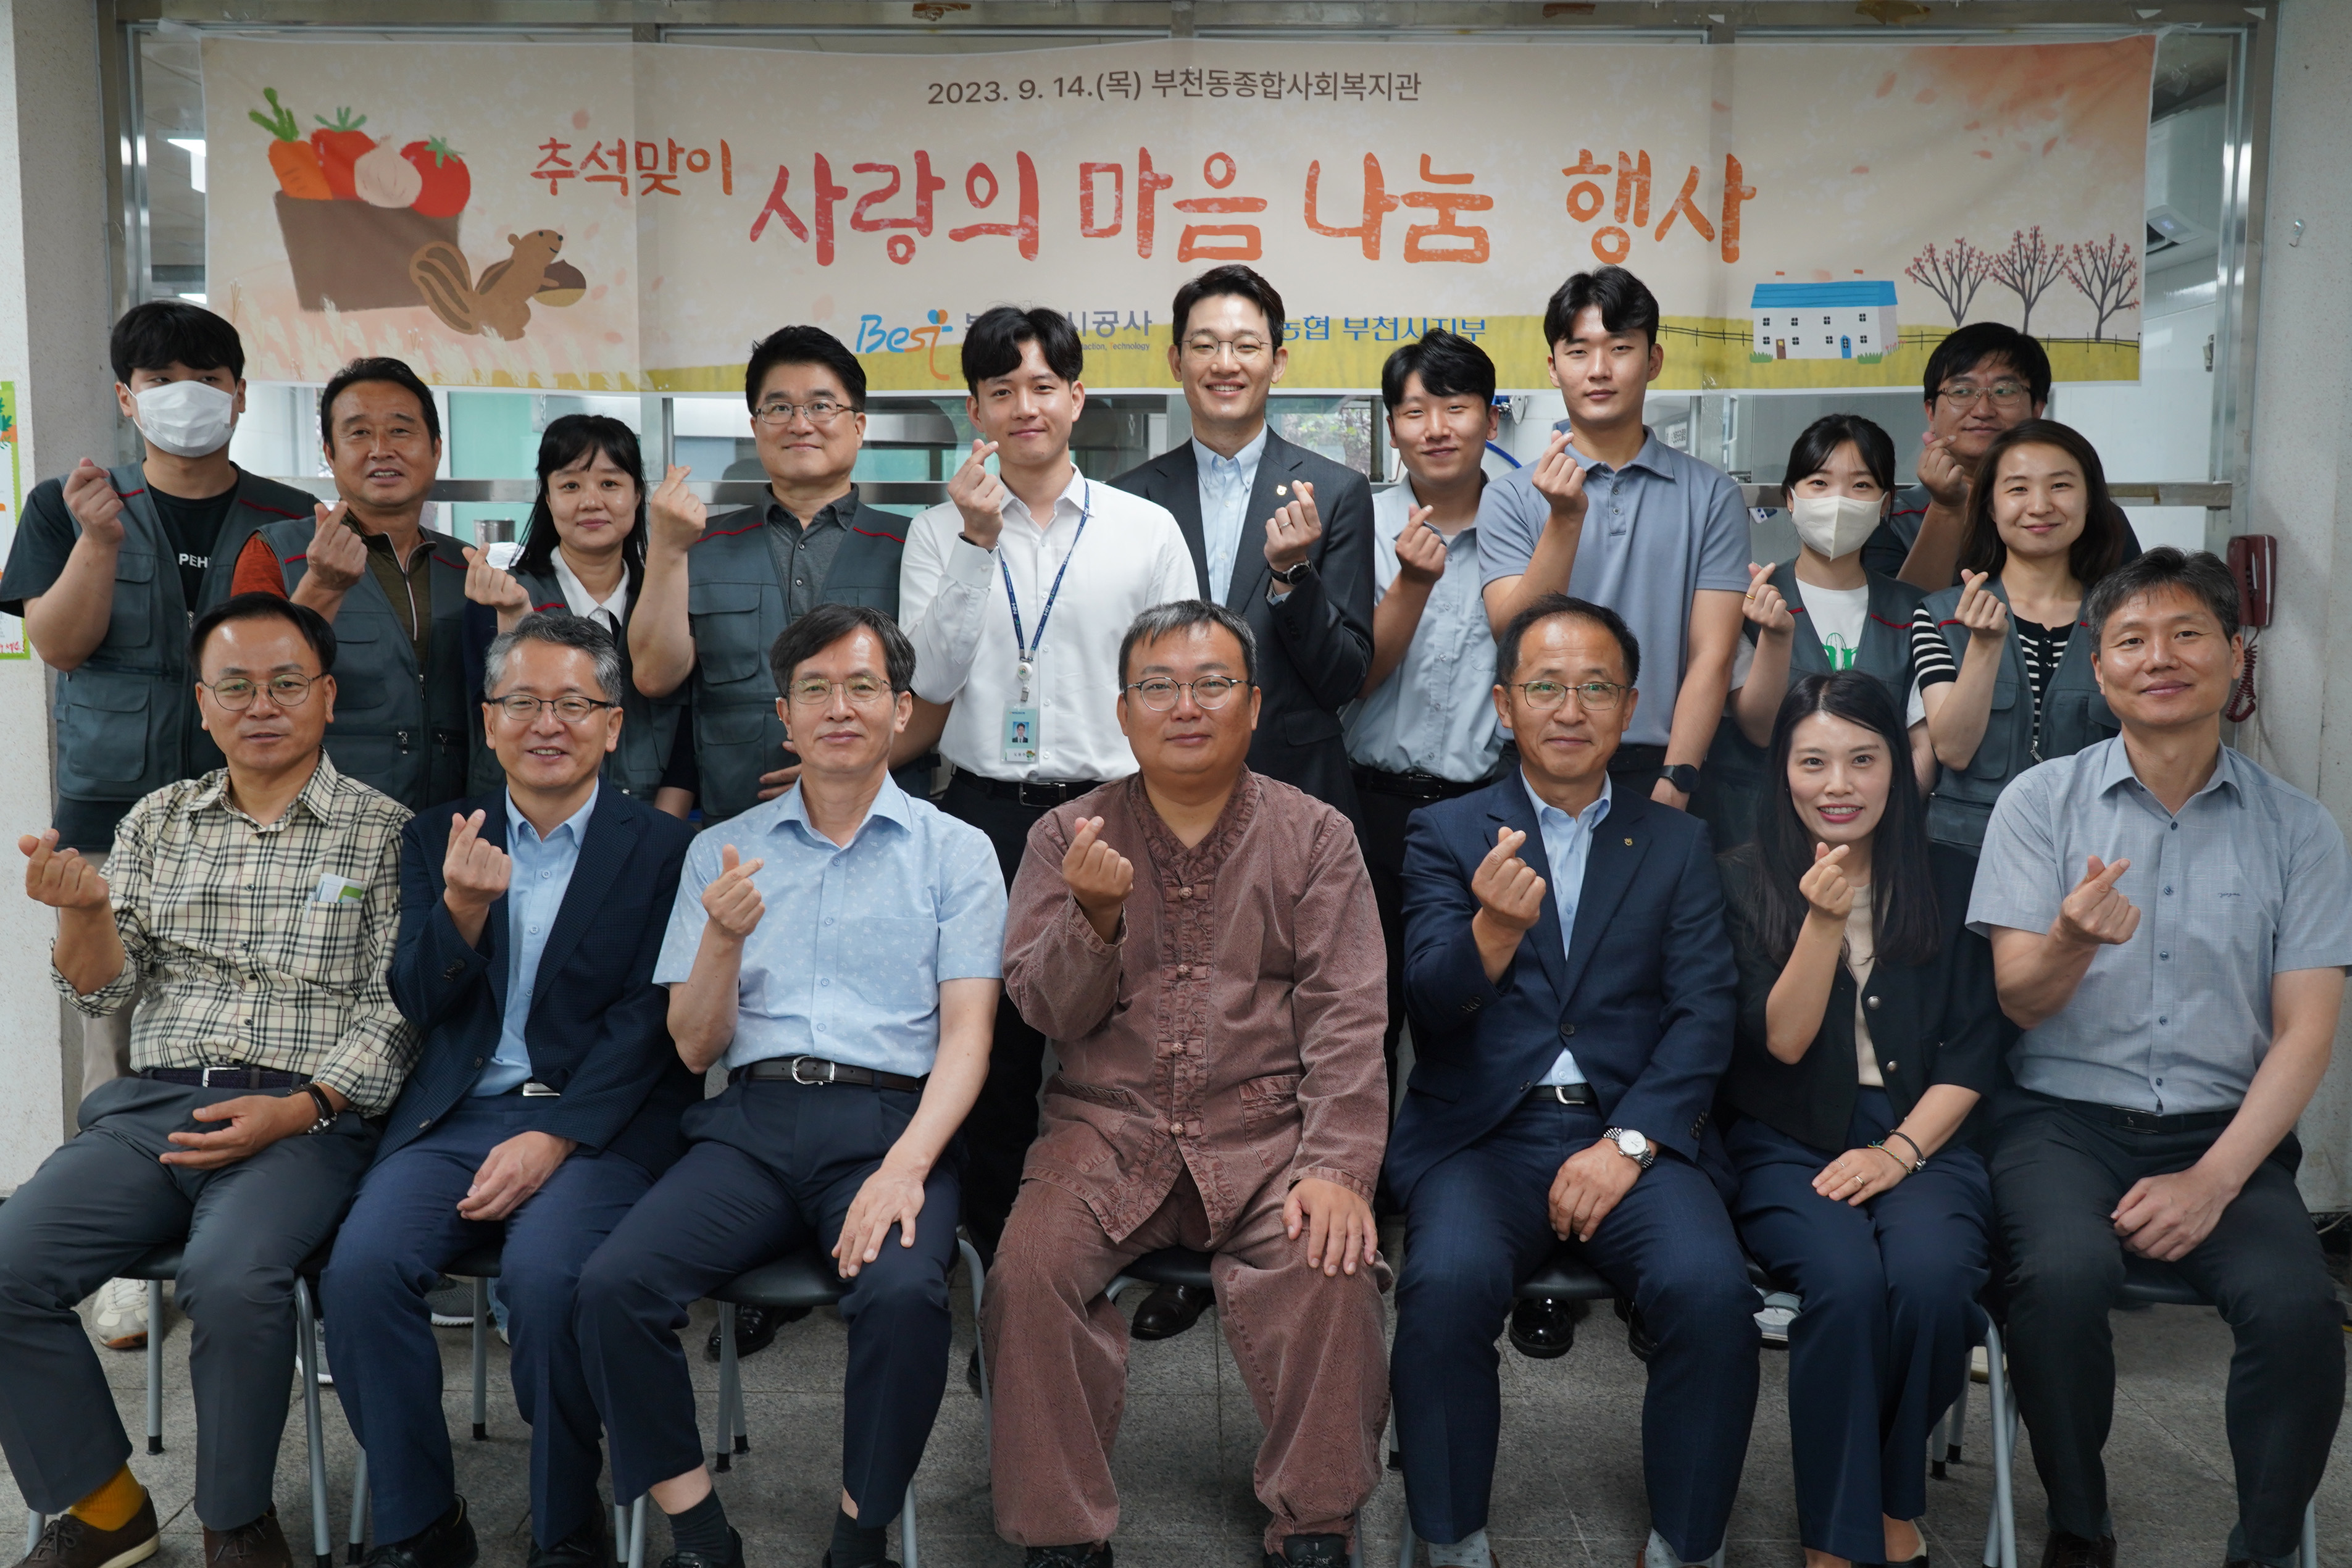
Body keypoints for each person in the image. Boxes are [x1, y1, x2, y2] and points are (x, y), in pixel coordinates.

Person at [577, 604, 1004, 1568]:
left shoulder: (956, 852)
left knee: (905, 1295)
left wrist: (907, 1168)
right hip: (752, 1124)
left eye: (861, 688)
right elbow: (694, 1048)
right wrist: (722, 940)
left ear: (901, 710)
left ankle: (859, 1535)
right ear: (785, 716)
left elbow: (969, 1040)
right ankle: (698, 1531)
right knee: (611, 1286)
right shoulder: (722, 852)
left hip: (891, 1122)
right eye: (815, 690)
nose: (838, 708)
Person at [1, 593, 416, 1568]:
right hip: (155, 1109)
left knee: (230, 1281)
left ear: (327, 695)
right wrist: (83, 913)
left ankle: (236, 1520)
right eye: (236, 686)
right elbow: (102, 988)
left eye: (285, 684)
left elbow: (399, 1014)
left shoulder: (387, 833)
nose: (260, 705)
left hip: (305, 1119)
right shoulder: (159, 821)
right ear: (202, 702)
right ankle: (107, 1509)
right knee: (6, 1265)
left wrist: (299, 1108)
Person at [985, 601, 1390, 1568]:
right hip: (1104, 1132)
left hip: (1268, 1137)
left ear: (1252, 705)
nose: (1186, 706)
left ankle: (1316, 1524)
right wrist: (1092, 919)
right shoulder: (1065, 835)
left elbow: (1348, 1016)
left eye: (1212, 684)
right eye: (1158, 687)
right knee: (1026, 1273)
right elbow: (1044, 1011)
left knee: (1333, 1267)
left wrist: (1336, 1169)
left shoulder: (1316, 835)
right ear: (1122, 711)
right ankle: (1061, 1537)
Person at [1967, 548, 2350, 1568]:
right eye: (2130, 641)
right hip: (2059, 1124)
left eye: (2187, 634)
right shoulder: (2039, 804)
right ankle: (2078, 1524)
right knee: (2058, 1278)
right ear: (2099, 670)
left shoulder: (2300, 830)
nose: (2159, 658)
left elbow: (2307, 1030)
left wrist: (2211, 1182)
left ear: (2235, 655)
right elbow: (2017, 1000)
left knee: (2300, 1310)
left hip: (2225, 1135)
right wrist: (2070, 939)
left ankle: (2263, 1548)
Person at [320, 614, 698, 1568]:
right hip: (460, 1112)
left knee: (546, 1280)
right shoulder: (438, 836)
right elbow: (417, 1001)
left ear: (612, 724)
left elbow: (651, 1024)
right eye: (522, 702)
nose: (547, 724)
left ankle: (567, 1525)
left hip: (600, 1125)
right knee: (361, 1272)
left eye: (573, 703)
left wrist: (557, 1135)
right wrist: (461, 909)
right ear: (488, 722)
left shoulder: (666, 849)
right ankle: (419, 1522)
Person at [1387, 594, 1753, 1568]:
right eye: (1544, 686)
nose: (1569, 709)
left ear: (1628, 708)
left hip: (1634, 1134)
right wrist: (1490, 933)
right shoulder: (1444, 832)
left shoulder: (1674, 842)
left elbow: (1703, 1013)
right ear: (1503, 705)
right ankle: (1450, 1540)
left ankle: (1686, 1547)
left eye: (1595, 688)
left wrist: (1628, 1143)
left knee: (1711, 1293)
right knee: (1443, 1287)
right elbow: (1426, 1004)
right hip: (1483, 1137)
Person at [0, 301, 318, 1350]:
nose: (187, 395)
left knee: (256, 1021)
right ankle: (122, 1265)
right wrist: (97, 542)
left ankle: (250, 1227)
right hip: (116, 808)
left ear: (240, 392)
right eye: (161, 379)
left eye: (207, 376)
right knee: (116, 1027)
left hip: (259, 811)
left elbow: (310, 656)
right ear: (128, 398)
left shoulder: (290, 515)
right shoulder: (68, 504)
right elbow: (58, 643)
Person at [898, 305, 1195, 1271]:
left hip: (1119, 813)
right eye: (1001, 391)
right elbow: (931, 679)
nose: (1023, 407)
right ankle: (998, 1268)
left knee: (1128, 1036)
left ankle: (1122, 1237)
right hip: (985, 815)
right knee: (993, 1053)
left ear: (1076, 397)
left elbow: (1182, 683)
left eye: (1041, 386)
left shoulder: (1144, 529)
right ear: (975, 411)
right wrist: (977, 543)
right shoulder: (937, 533)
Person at [1715, 671, 2000, 1568]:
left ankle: (1885, 1497)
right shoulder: (1738, 878)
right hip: (1786, 1137)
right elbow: (1784, 1043)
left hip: (1925, 1135)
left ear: (1897, 768)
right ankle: (1839, 1540)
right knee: (1841, 1284)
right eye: (1813, 761)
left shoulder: (1952, 879)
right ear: (1782, 770)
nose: (1837, 784)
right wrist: (1820, 923)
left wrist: (1900, 1151)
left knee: (1932, 1280)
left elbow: (1974, 1052)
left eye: (1862, 760)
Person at [1110, 264, 1377, 824]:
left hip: (1296, 791)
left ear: (1277, 362)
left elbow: (1345, 679)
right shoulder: (1130, 498)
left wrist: (1293, 575)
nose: (1225, 364)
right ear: (1177, 361)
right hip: (1163, 790)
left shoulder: (1335, 492)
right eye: (1205, 345)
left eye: (1246, 346)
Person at [1478, 265, 1746, 819]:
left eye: (1620, 348)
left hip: (1660, 766)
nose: (1599, 370)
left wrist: (1678, 778)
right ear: (1553, 367)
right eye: (1578, 352)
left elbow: (1713, 655)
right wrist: (1564, 519)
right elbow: (1512, 632)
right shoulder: (1510, 495)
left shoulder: (1712, 495)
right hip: (1537, 761)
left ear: (1654, 360)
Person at [630, 325, 925, 825]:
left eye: (821, 406)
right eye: (780, 408)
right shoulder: (698, 544)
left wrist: (839, 767)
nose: (800, 424)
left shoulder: (915, 545)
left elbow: (940, 694)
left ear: (858, 425)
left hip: (880, 825)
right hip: (738, 825)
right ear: (756, 425)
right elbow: (655, 677)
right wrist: (666, 547)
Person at [1344, 329, 1506, 1183]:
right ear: (1391, 427)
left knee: (1469, 1011)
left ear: (1490, 418)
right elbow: (1346, 676)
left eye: (1455, 406)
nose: (1436, 427)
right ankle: (1356, 1194)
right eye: (1414, 410)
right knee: (1358, 1013)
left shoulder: (1527, 525)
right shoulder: (1357, 523)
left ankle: (1457, 1197)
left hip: (1481, 810)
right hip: (1363, 803)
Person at [232, 356, 475, 811]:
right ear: (330, 453)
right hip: (321, 822)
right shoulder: (278, 552)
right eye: (359, 433)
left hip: (449, 822)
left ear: (436, 449)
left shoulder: (465, 566)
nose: (381, 449)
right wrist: (319, 587)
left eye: (400, 430)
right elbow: (243, 692)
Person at [1700, 414, 1931, 850]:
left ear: (1885, 504)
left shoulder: (1915, 611)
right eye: (1820, 483)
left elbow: (1923, 745)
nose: (1839, 500)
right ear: (1791, 498)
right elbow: (1759, 728)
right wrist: (1775, 639)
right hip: (1755, 836)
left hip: (1877, 846)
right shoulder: (1748, 600)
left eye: (1861, 485)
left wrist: (1888, 820)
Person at [1912, 420, 2132, 854]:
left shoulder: (2124, 621)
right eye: (2017, 489)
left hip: (2092, 850)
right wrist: (1984, 646)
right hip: (1965, 853)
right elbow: (1953, 750)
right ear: (1991, 508)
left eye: (2060, 486)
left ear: (2090, 501)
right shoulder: (1941, 616)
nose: (2040, 506)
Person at [461, 415, 696, 815]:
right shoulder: (501, 597)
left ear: (638, 495)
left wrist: (660, 831)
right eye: (570, 485)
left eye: (610, 484)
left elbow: (687, 732)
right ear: (548, 499)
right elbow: (497, 720)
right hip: (528, 825)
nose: (591, 502)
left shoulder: (670, 594)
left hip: (650, 820)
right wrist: (514, 615)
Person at [1861, 323, 2140, 591]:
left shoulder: (2085, 515)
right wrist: (1946, 508)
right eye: (1962, 391)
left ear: (2037, 409)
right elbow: (1893, 619)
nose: (1983, 410)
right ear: (1931, 412)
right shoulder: (1889, 517)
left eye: (2004, 391)